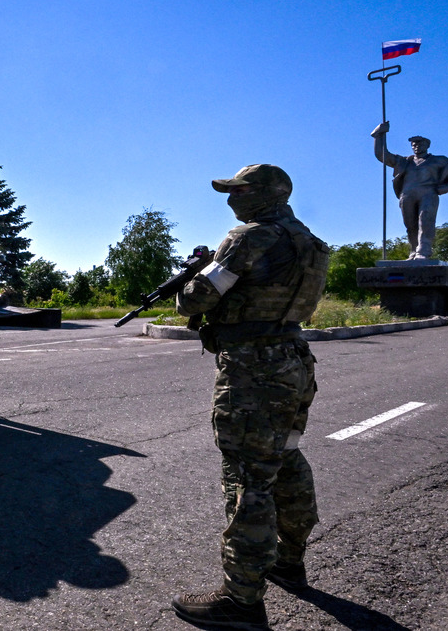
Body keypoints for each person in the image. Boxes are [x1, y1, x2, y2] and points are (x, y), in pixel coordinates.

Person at [170, 164, 330, 630]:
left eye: (238, 190)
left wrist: (186, 289)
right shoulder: (310, 241)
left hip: (253, 367)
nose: (230, 199)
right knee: (288, 458)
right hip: (293, 358)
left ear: (263, 194)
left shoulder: (250, 237)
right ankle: (289, 561)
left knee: (248, 478)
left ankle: (240, 601)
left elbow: (198, 298)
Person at [371, 122, 448, 260]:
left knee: (425, 220)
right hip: (407, 196)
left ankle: (423, 251)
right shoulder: (404, 162)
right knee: (410, 225)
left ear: (427, 145)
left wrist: (446, 188)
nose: (416, 146)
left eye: (419, 144)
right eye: (413, 144)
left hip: (428, 194)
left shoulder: (439, 160)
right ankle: (414, 250)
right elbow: (382, 155)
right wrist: (379, 135)